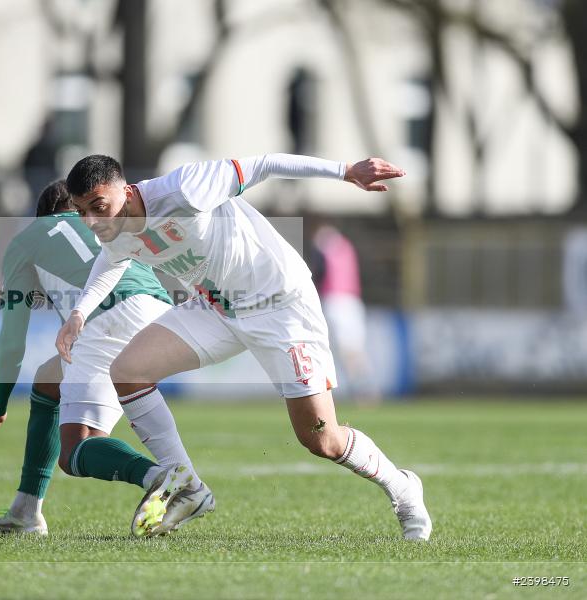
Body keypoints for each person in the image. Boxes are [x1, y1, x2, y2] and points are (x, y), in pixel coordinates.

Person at [56, 153, 432, 541]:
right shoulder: (115, 230)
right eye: (81, 211)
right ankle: (189, 489)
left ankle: (404, 489)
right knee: (128, 372)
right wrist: (79, 314)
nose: (91, 222)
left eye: (98, 207)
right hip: (218, 309)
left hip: (281, 307)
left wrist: (345, 171)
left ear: (126, 189)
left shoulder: (184, 188)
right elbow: (110, 262)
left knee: (322, 439)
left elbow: (264, 164)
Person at [0, 181, 213, 537]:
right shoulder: (103, 224)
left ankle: (165, 478)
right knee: (48, 380)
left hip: (106, 321)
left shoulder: (27, 240)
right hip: (159, 312)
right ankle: (25, 511)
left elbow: (12, 339)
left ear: (41, 216)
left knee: (75, 451)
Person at [309, 220, 380, 402]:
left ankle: (360, 390)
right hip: (352, 300)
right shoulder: (346, 246)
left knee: (338, 349)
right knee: (354, 348)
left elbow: (319, 272)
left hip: (334, 300)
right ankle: (366, 388)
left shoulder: (323, 243)